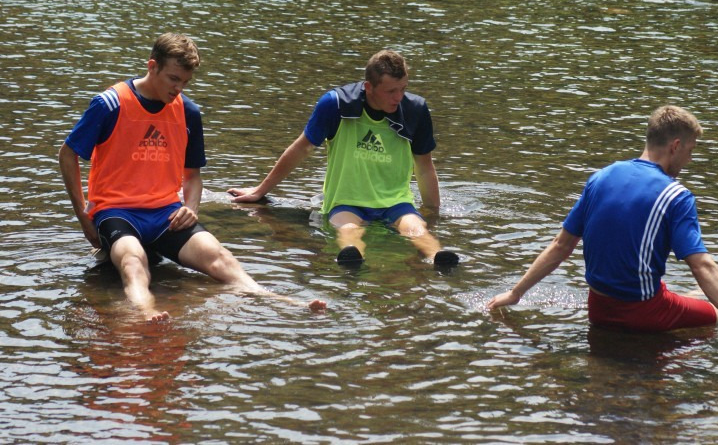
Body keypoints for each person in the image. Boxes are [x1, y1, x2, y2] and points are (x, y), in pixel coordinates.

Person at [59, 33, 326, 321]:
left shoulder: (188, 112)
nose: (178, 89)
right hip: (115, 212)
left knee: (220, 257)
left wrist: (191, 208)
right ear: (152, 66)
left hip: (166, 214)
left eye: (185, 82)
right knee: (133, 261)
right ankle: (146, 312)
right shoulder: (109, 104)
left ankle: (278, 300)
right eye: (173, 79)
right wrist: (83, 215)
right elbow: (67, 154)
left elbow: (193, 175)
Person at [487, 105, 718, 356]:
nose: (690, 160)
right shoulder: (676, 196)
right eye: (690, 151)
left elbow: (561, 245)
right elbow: (701, 265)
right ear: (675, 146)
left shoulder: (600, 178)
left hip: (599, 310)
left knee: (676, 292)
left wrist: (515, 293)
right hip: (643, 313)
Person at [228, 50, 458, 268]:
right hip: (346, 201)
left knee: (416, 228)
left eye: (403, 89)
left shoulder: (415, 109)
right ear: (368, 87)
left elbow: (424, 166)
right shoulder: (336, 104)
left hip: (395, 201)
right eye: (390, 91)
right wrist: (260, 190)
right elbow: (301, 149)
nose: (398, 97)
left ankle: (437, 258)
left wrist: (433, 212)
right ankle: (353, 259)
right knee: (348, 228)